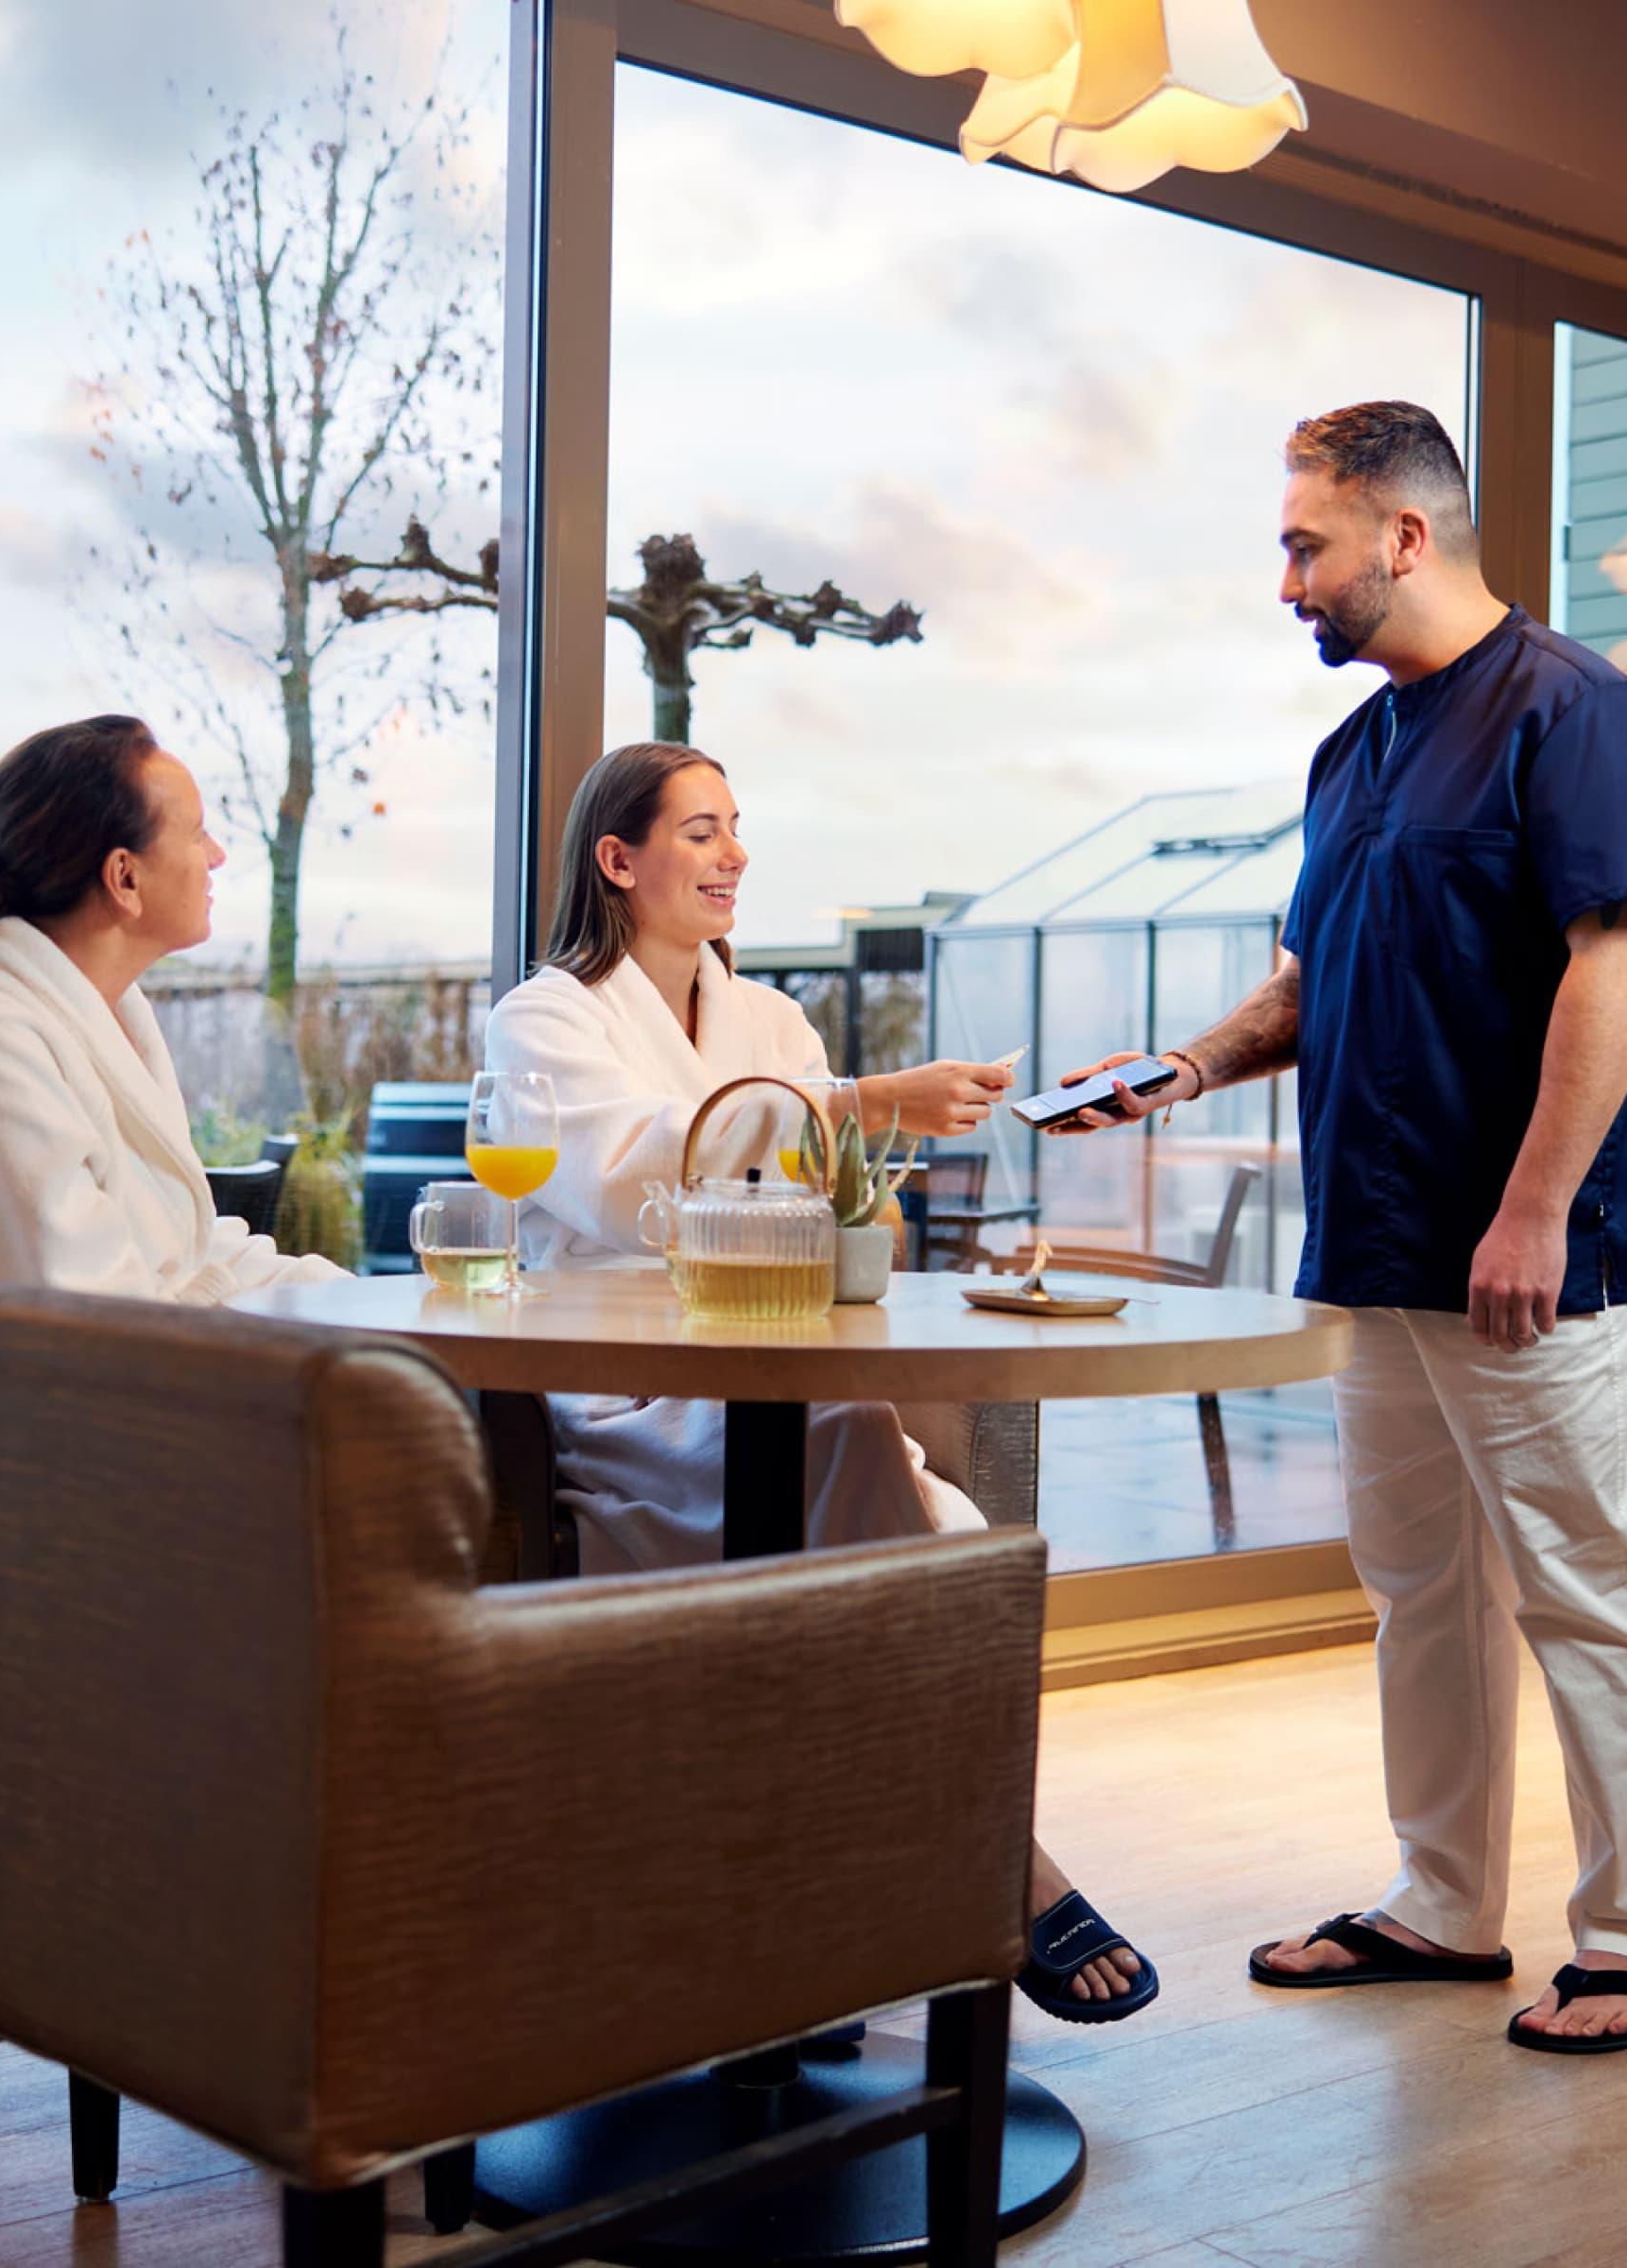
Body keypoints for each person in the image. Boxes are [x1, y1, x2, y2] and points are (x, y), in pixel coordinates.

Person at [1055, 402, 1627, 2053]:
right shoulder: (1353, 755)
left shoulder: (1580, 710)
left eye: (1303, 546)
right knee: (1422, 1586)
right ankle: (1441, 1903)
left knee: (1582, 1582)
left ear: (1403, 538)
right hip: (1384, 1239)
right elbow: (1310, 979)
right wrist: (1186, 1063)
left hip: (1537, 1256)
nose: (1287, 582)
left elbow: (1614, 962)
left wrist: (1537, 1207)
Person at [485, 739, 1156, 2021]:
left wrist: (850, 1153)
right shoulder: (548, 1017)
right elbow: (629, 1186)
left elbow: (839, 1219)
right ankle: (998, 1859)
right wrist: (854, 1105)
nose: (732, 852)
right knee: (848, 1429)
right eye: (697, 830)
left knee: (851, 1431)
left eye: (737, 825)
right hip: (623, 1392)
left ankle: (828, 1922)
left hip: (775, 1365)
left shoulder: (768, 1019)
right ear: (617, 861)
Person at [0, 714, 342, 1302]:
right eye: (197, 833)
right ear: (125, 877)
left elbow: (185, 1248)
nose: (217, 855)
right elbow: (88, 1312)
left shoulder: (112, 1016)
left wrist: (370, 1297)